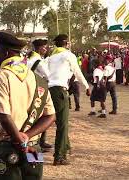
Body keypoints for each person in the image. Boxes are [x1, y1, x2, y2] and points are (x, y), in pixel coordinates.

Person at [0, 32, 56, 180]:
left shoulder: (0, 77)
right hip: (34, 147)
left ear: (5, 53)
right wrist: (27, 136)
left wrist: (21, 142)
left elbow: (3, 115)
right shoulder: (38, 79)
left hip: (8, 147)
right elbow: (51, 115)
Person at [47, 34, 90, 165]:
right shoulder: (68, 55)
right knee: (62, 124)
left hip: (49, 91)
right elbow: (77, 72)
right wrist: (87, 86)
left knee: (57, 122)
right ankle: (59, 156)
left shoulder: (50, 57)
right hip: (60, 91)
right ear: (66, 43)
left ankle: (66, 146)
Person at [27, 39, 52, 152]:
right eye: (45, 47)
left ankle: (37, 142)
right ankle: (39, 143)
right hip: (38, 91)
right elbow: (48, 76)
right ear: (40, 48)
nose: (46, 49)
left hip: (27, 90)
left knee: (31, 116)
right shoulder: (39, 62)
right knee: (43, 116)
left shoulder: (27, 60)